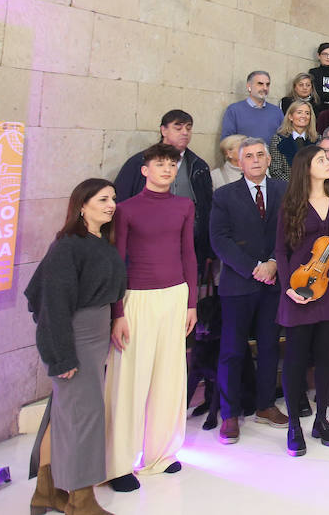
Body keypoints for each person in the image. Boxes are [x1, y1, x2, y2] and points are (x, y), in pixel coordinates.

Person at [26, 179, 127, 515]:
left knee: (63, 415)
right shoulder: (69, 245)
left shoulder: (101, 241)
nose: (111, 204)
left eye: (113, 198)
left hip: (94, 336)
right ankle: (80, 501)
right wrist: (62, 356)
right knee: (86, 417)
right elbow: (52, 305)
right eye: (102, 199)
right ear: (82, 205)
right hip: (75, 337)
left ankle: (46, 490)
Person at [104, 143, 197, 492]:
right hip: (136, 298)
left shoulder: (184, 205)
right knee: (129, 378)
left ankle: (161, 453)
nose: (167, 170)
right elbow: (118, 260)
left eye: (172, 165)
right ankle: (118, 462)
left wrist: (191, 304)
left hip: (174, 296)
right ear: (145, 170)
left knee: (169, 375)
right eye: (159, 164)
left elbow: (188, 253)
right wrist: (117, 312)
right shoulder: (126, 210)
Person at [208, 138, 289, 445]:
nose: (255, 160)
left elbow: (290, 232)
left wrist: (272, 264)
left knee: (269, 346)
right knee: (232, 349)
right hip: (238, 284)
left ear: (268, 160)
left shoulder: (283, 191)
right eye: (249, 156)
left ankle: (265, 404)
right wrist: (253, 268)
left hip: (273, 282)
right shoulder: (224, 195)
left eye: (260, 155)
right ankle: (229, 414)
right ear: (238, 163)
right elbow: (219, 239)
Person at [274, 147, 329, 454]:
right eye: (321, 159)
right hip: (299, 285)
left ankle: (321, 420)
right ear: (306, 168)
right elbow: (281, 251)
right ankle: (294, 424)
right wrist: (286, 288)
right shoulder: (291, 204)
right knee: (294, 359)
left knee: (324, 356)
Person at [114, 109, 215, 271]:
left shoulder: (199, 166)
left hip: (187, 246)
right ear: (163, 130)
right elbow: (121, 201)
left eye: (188, 128)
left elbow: (207, 208)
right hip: (143, 247)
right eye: (178, 127)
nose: (185, 132)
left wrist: (208, 250)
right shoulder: (139, 162)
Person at [220, 70, 282, 143]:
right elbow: (226, 142)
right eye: (260, 84)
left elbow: (284, 139)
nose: (265, 88)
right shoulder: (234, 110)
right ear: (249, 86)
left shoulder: (277, 112)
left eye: (267, 84)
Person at [269, 99, 316, 180]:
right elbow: (275, 170)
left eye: (307, 113)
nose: (304, 116)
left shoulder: (317, 139)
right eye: (299, 112)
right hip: (287, 188)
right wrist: (293, 187)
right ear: (290, 117)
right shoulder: (278, 139)